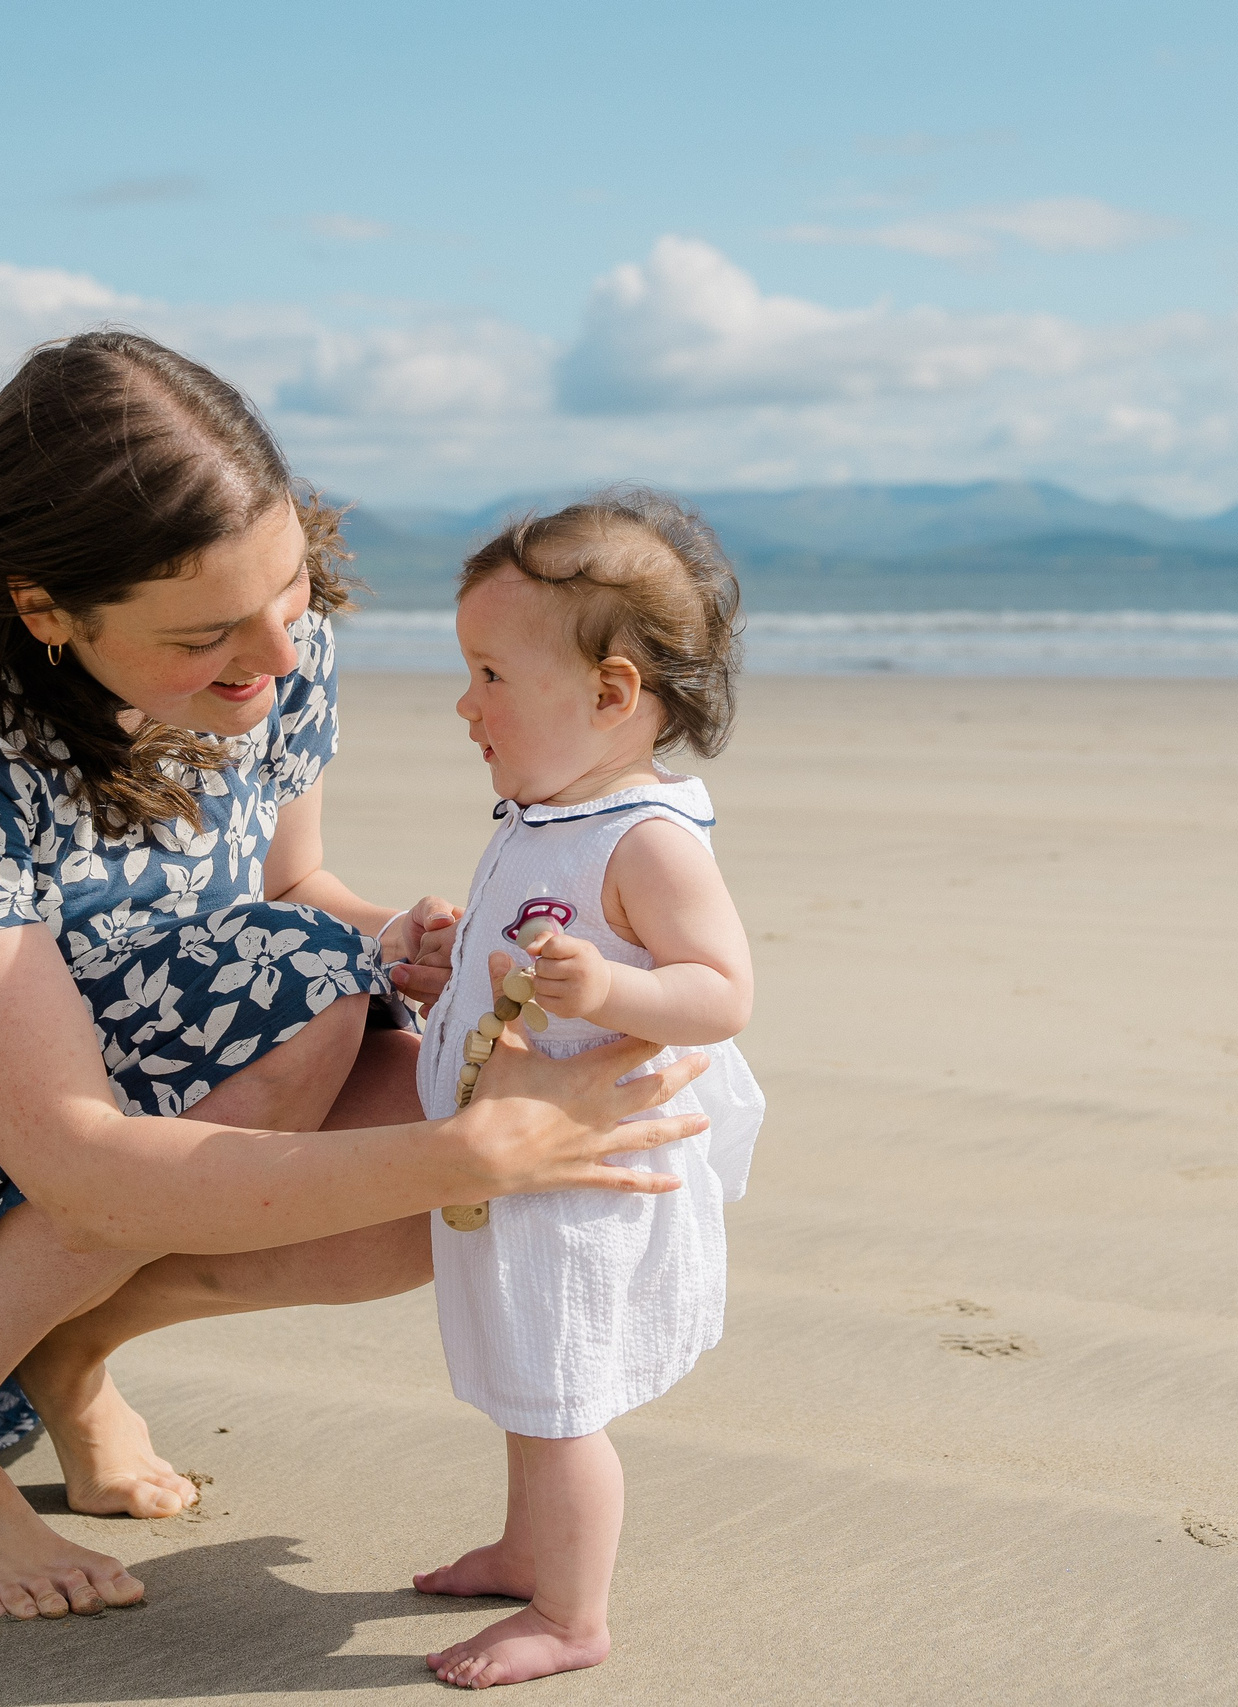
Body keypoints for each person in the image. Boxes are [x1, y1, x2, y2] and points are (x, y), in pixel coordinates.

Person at [0, 331, 709, 1624]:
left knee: (423, 1178)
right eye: (207, 634)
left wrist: (411, 942)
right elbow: (83, 1151)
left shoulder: (275, 656)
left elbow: (293, 894)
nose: (277, 656)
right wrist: (486, 1145)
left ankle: (61, 1346)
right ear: (47, 611)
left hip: (51, 1083)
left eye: (290, 592)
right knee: (375, 1074)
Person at [405, 492, 763, 1688]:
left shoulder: (645, 839)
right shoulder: (550, 810)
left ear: (612, 695)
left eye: (490, 675)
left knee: (561, 1390)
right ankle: (526, 1547)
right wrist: (446, 960)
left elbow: (719, 992)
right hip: (521, 1153)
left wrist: (609, 988)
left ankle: (572, 1615)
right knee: (523, 1369)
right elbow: (516, 951)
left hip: (586, 1167)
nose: (466, 706)